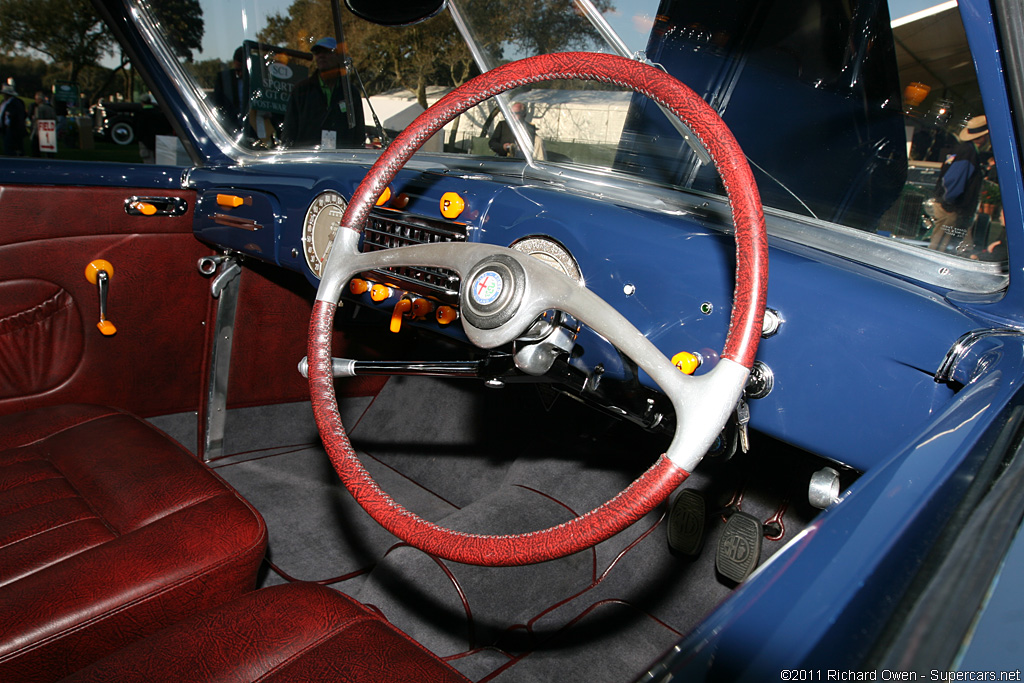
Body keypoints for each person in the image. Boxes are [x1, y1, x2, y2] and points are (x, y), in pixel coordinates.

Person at [281, 37, 365, 149]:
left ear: (338, 56)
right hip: (307, 161)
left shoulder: (351, 93)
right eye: (317, 52)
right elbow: (289, 130)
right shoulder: (301, 90)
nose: (321, 56)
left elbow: (359, 135)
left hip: (340, 161)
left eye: (326, 52)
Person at [929, 115, 990, 254]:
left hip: (949, 207)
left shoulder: (962, 149)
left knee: (942, 246)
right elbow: (953, 181)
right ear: (984, 137)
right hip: (951, 210)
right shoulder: (968, 153)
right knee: (940, 250)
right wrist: (949, 205)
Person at [212, 46, 251, 135]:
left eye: (243, 70)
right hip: (229, 127)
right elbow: (217, 103)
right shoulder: (224, 79)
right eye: (237, 70)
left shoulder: (254, 80)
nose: (240, 73)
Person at [1, 82, 27, 156]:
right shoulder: (4, 102)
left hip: (13, 129)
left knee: (11, 148)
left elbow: (18, 116)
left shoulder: (15, 103)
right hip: (5, 129)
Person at [29, 91, 57, 157]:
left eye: (36, 99)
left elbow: (38, 121)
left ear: (40, 99)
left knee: (36, 150)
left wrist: (33, 133)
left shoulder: (38, 108)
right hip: (50, 132)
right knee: (49, 152)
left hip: (40, 132)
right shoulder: (51, 108)